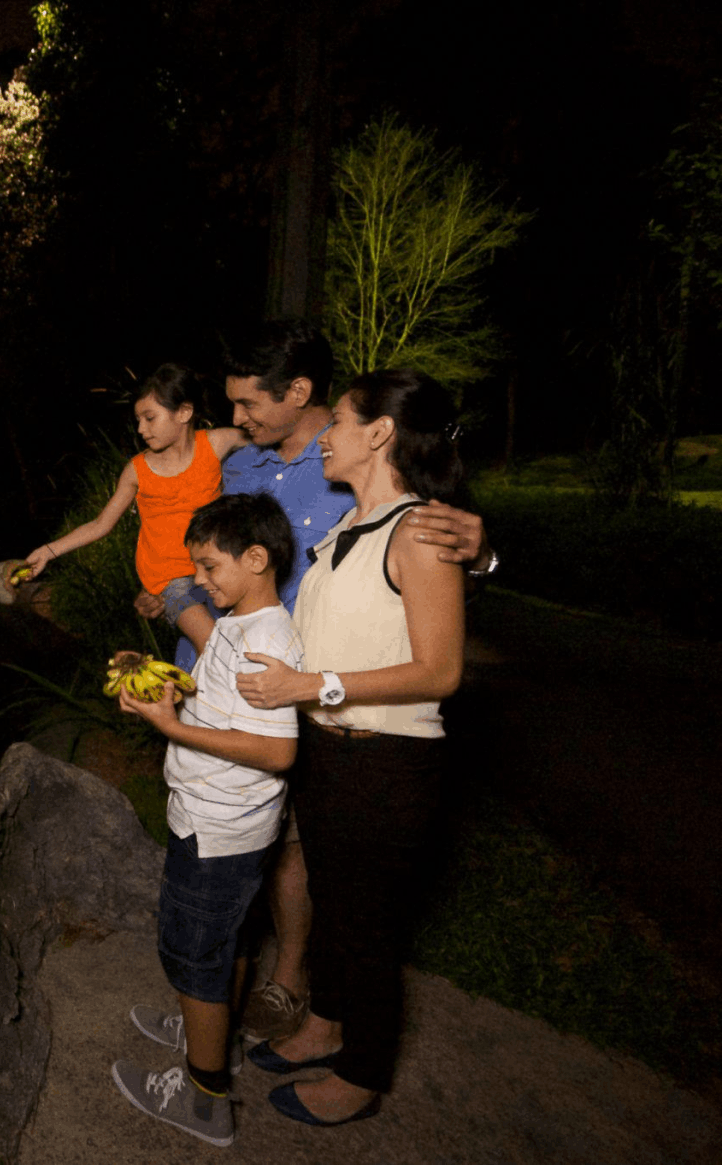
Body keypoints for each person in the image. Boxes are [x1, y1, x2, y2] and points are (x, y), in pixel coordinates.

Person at [133, 319, 493, 1046]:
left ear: (297, 392)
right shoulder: (240, 466)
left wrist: (481, 556)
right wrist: (177, 595)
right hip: (229, 680)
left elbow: (431, 561)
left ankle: (290, 981)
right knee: (238, 845)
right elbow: (201, 542)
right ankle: (219, 998)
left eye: (247, 404)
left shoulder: (352, 472)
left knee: (297, 850)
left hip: (313, 694)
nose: (235, 418)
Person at [233, 369, 468, 1126]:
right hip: (332, 753)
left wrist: (312, 687)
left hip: (386, 761)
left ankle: (361, 1075)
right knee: (336, 906)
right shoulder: (348, 525)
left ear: (379, 433)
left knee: (366, 923)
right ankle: (322, 1025)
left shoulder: (420, 531)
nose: (324, 435)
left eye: (336, 420)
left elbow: (439, 669)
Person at [110, 492, 303, 1147]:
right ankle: (214, 1032)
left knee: (192, 954)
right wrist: (166, 688)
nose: (198, 579)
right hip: (225, 822)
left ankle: (203, 1097)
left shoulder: (264, 642)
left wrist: (171, 728)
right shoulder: (237, 621)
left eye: (208, 565)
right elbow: (220, 702)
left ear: (255, 559)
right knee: (231, 941)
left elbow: (277, 749)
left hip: (219, 828)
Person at [22, 364, 248, 654]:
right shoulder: (137, 471)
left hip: (215, 568)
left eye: (150, 418)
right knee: (213, 646)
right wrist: (48, 551)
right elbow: (100, 525)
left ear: (183, 412)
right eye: (138, 420)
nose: (141, 429)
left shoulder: (216, 444)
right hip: (169, 581)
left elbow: (267, 437)